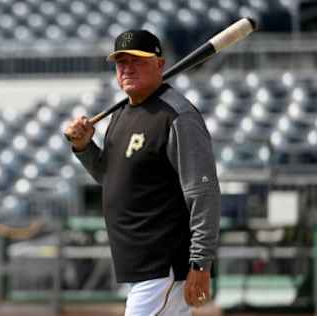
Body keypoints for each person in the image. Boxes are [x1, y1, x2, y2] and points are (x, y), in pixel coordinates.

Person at [64, 30, 221, 316]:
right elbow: (111, 178)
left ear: (159, 64)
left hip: (163, 263)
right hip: (138, 265)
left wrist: (200, 263)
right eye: (121, 62)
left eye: (137, 60)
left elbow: (203, 193)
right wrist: (84, 146)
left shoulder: (178, 116)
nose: (127, 68)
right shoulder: (121, 114)